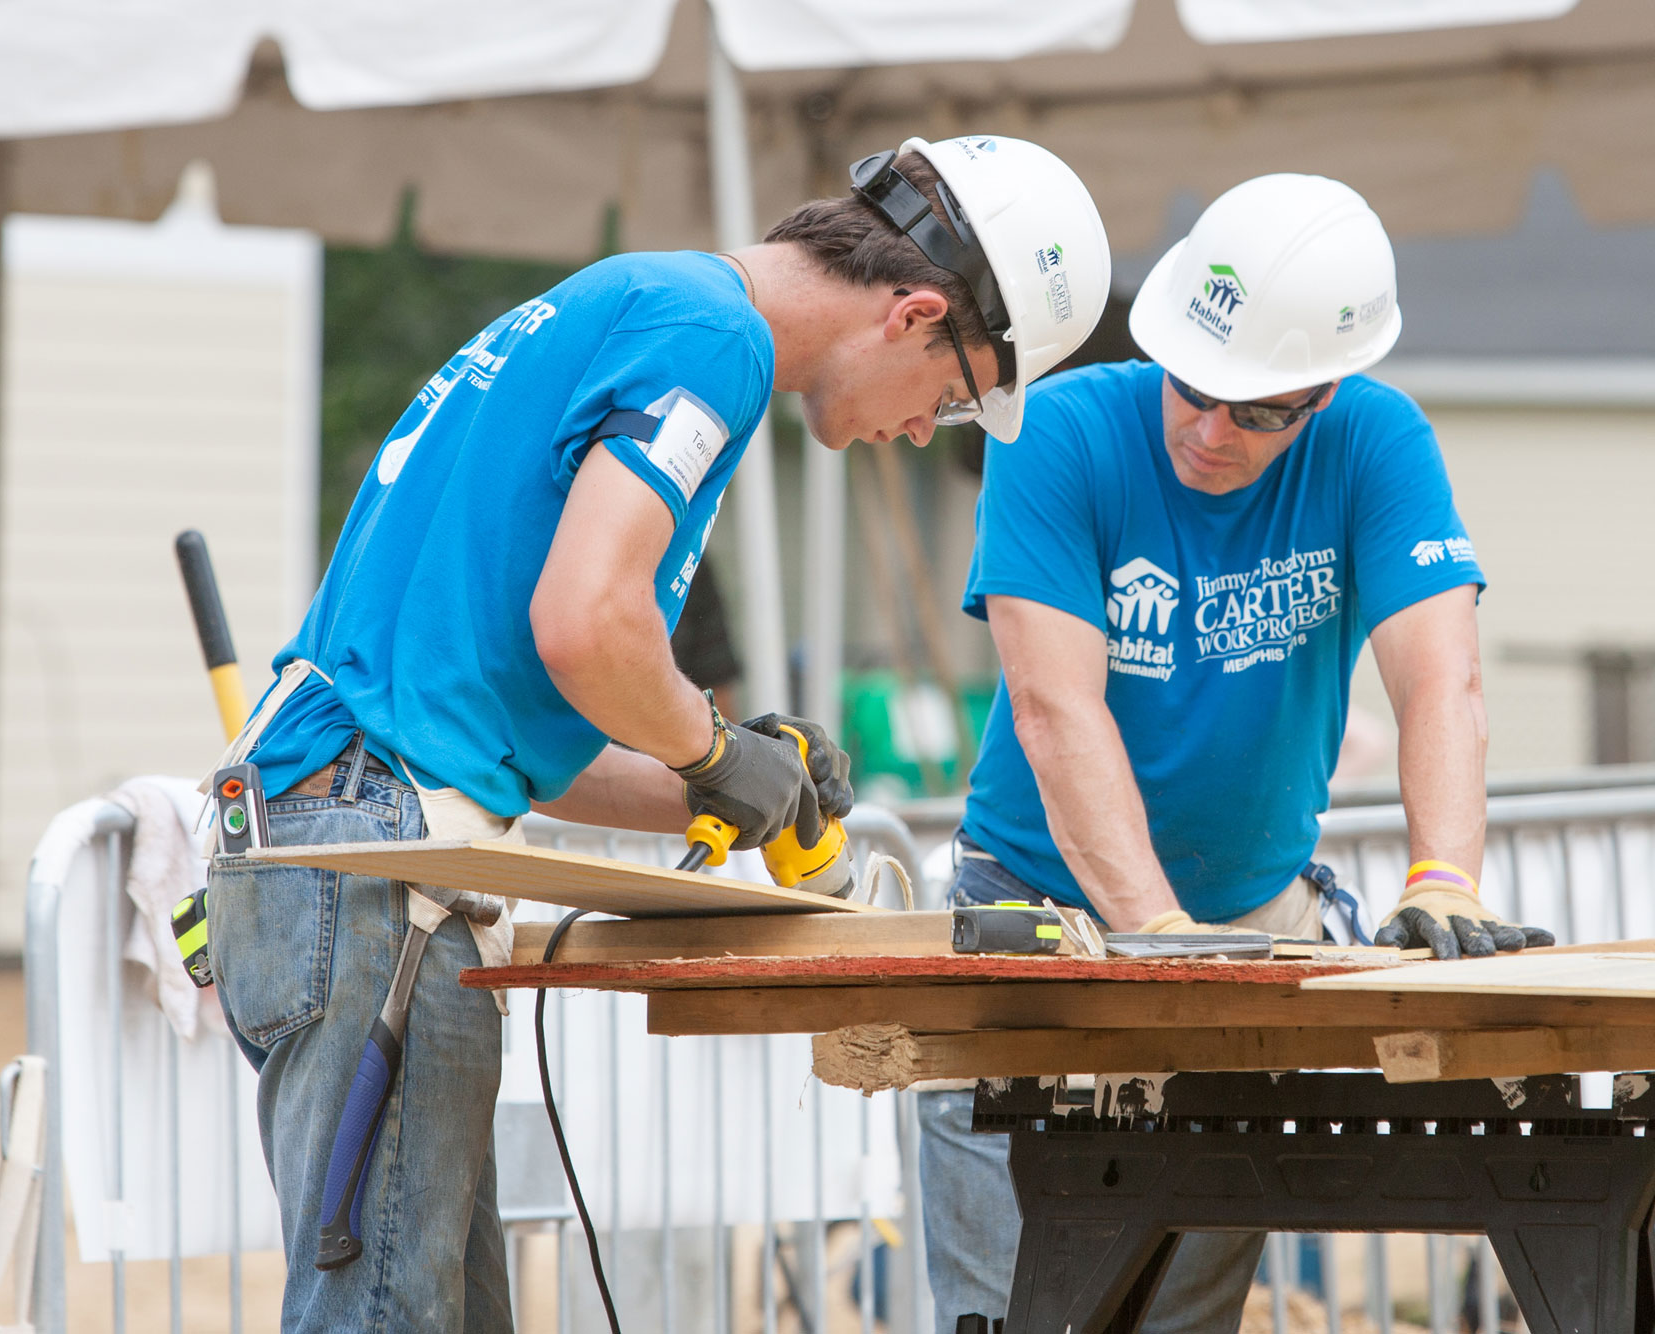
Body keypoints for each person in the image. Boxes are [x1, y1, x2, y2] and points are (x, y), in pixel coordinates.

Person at [206, 134, 1110, 1332]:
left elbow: (533, 721)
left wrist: (730, 789)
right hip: (371, 865)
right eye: (947, 399)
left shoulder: (645, 305)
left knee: (430, 1309)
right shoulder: (710, 336)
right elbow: (590, 623)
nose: (916, 428)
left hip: (354, 835)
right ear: (914, 314)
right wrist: (711, 745)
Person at [920, 173, 1553, 1332]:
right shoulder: (1057, 430)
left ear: (1326, 389)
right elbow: (1057, 709)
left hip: (1247, 927)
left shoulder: (1372, 439)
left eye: (1261, 410)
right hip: (1038, 919)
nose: (1210, 431)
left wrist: (1443, 879)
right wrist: (1157, 937)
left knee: (1180, 1317)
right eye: (1196, 389)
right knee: (1011, 1312)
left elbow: (1439, 678)